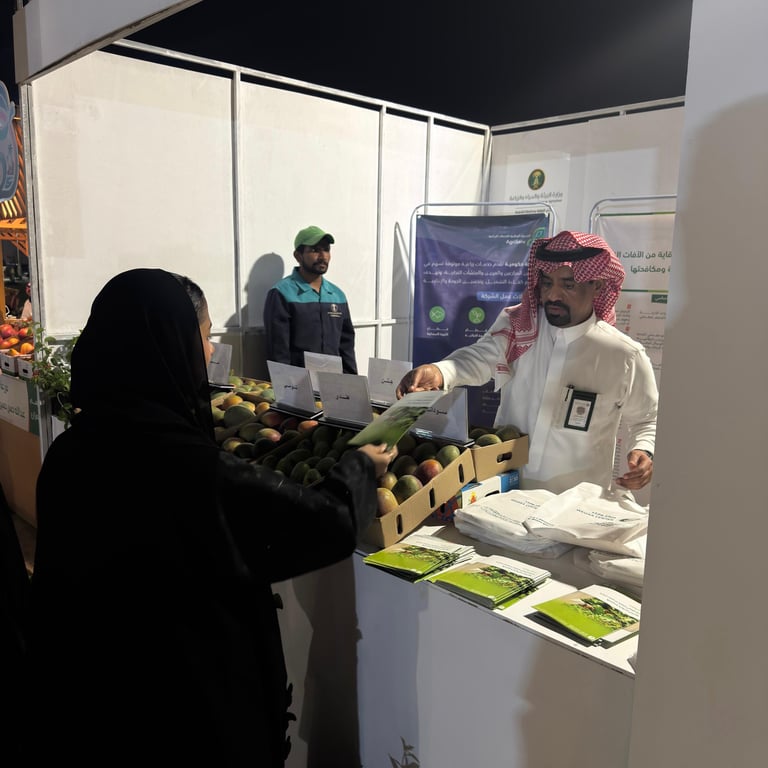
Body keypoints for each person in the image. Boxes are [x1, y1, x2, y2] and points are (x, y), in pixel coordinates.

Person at [25, 268, 395, 767]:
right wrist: (359, 466)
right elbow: (322, 522)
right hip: (188, 719)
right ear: (170, 347)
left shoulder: (68, 454)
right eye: (203, 336)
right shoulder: (192, 471)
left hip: (87, 709)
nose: (210, 351)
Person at [396, 230, 658, 495]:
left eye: (568, 285)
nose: (553, 295)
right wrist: (440, 372)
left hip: (574, 502)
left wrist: (644, 450)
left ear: (597, 285)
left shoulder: (623, 355)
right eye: (547, 283)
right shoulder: (518, 327)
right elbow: (479, 358)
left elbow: (648, 419)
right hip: (504, 493)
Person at [263, 225, 358, 374]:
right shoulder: (282, 293)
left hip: (332, 382)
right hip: (299, 382)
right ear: (298, 256)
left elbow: (346, 346)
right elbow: (278, 350)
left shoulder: (337, 295)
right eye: (315, 250)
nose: (323, 256)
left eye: (326, 249)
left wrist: (350, 380)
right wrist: (287, 383)